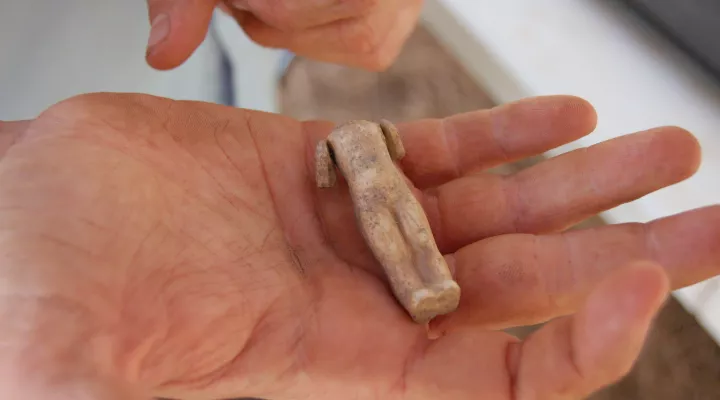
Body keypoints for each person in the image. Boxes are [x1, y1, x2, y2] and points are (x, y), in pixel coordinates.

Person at [0, 2, 718, 400]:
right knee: (389, 236)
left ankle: (431, 282)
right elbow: (319, 167)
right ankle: (419, 286)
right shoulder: (346, 145)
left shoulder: (365, 135)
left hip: (372, 182)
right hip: (364, 197)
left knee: (411, 229)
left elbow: (391, 154)